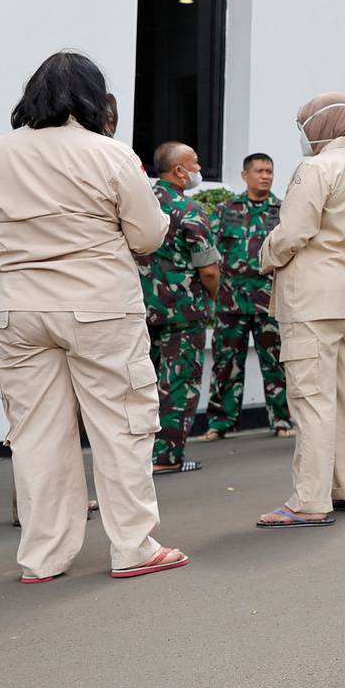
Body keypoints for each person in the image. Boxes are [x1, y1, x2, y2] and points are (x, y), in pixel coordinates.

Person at [0, 52, 188, 582]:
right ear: (93, 98)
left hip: (19, 308)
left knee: (36, 433)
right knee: (122, 426)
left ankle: (43, 556)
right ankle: (133, 547)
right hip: (100, 307)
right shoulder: (110, 155)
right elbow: (147, 236)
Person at [256, 93, 345, 528]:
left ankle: (309, 501)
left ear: (319, 125)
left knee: (312, 398)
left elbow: (293, 231)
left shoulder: (315, 168)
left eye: (302, 123)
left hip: (315, 299)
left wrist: (265, 253)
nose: (300, 132)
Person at [196, 153, 293, 443]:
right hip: (231, 302)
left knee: (277, 363)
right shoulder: (226, 210)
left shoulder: (284, 211)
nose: (265, 176)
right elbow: (208, 252)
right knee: (226, 365)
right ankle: (219, 423)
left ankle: (283, 419)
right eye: (260, 171)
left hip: (269, 301)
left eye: (270, 171)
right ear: (245, 175)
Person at [143, 142, 220, 476]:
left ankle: (135, 456)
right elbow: (208, 269)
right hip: (183, 313)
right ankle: (166, 457)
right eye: (196, 163)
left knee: (141, 385)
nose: (199, 168)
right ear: (178, 170)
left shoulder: (139, 204)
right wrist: (212, 296)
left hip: (140, 310)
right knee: (178, 384)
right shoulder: (189, 209)